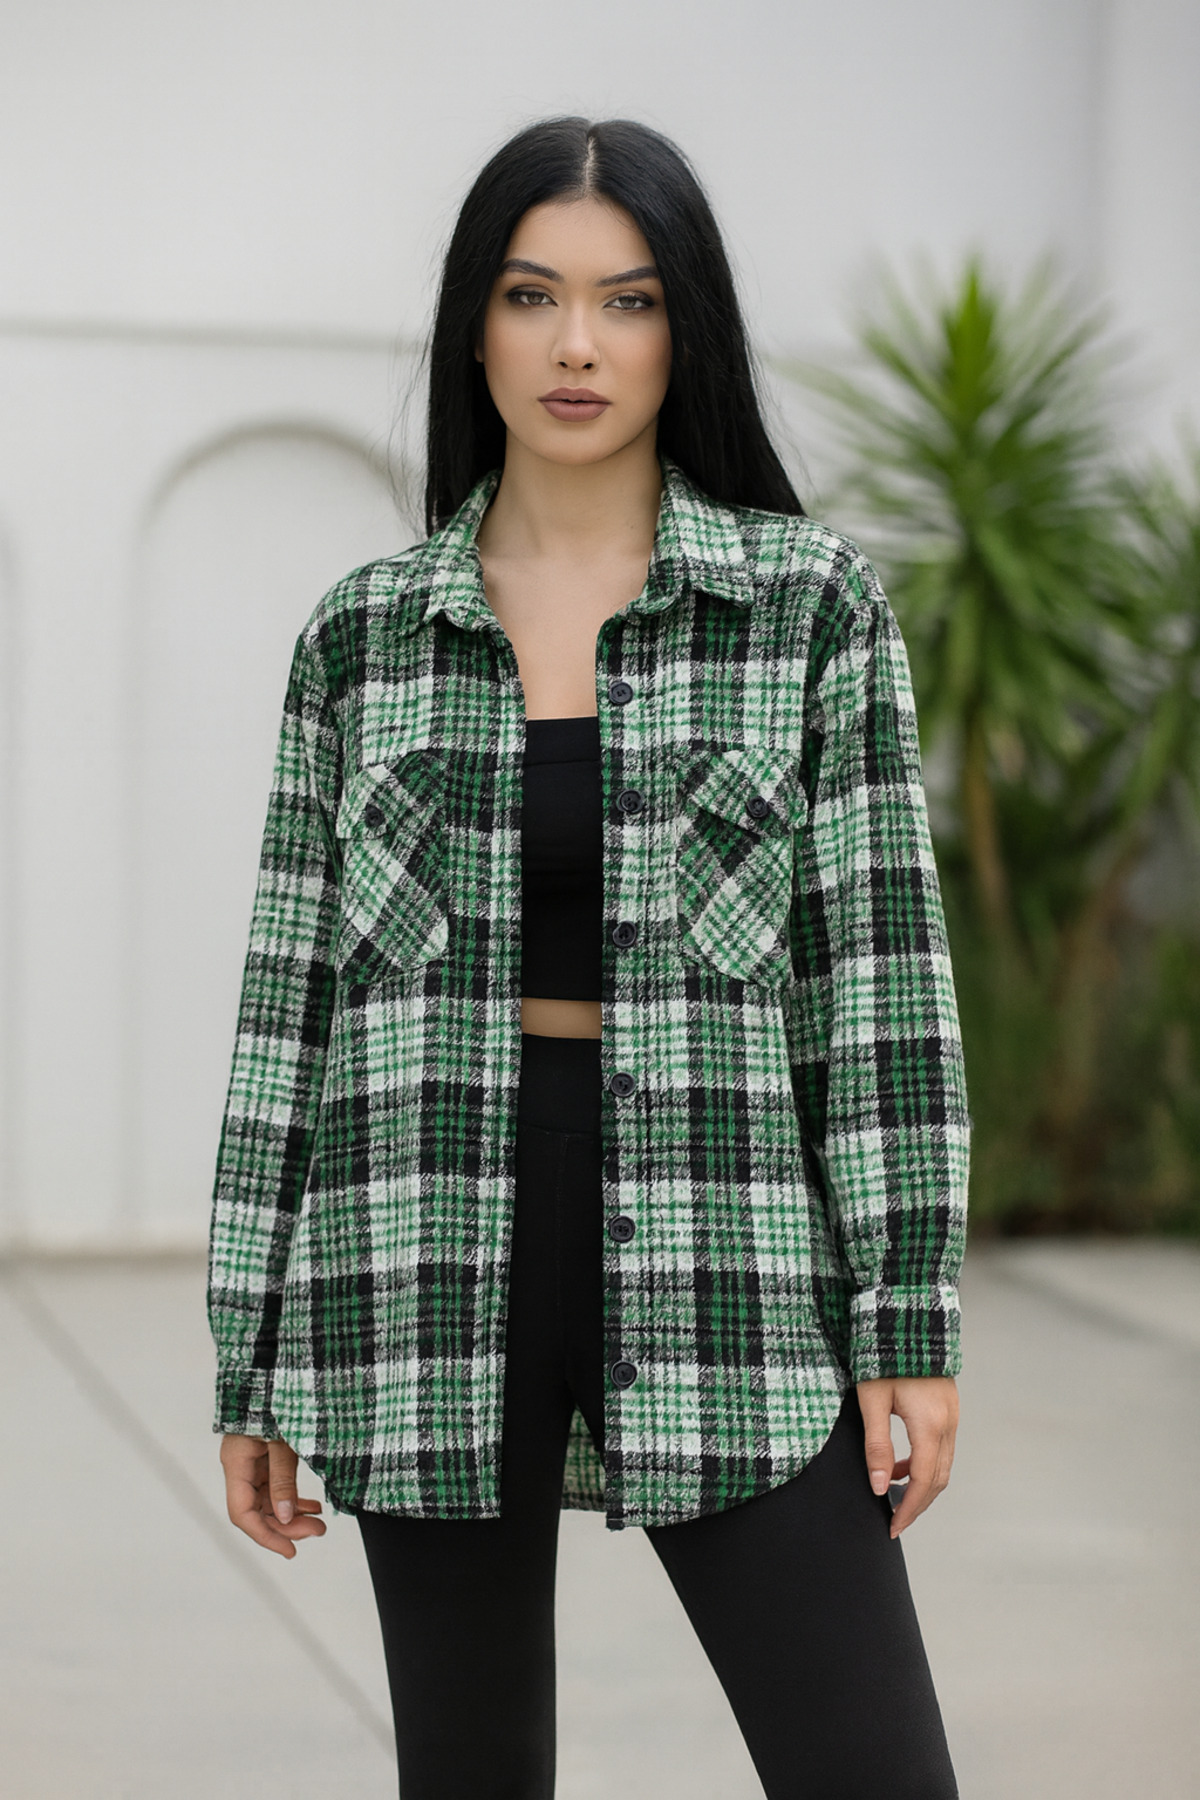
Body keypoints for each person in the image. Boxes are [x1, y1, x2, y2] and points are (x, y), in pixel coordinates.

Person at [206, 115, 970, 1799]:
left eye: (627, 302)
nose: (576, 345)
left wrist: (905, 1316)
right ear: (472, 330)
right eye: (531, 295)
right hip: (418, 1251)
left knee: (873, 1770)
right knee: (470, 1772)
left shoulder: (807, 611)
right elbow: (290, 1017)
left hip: (727, 1243)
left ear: (683, 331)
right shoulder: (362, 636)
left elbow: (880, 995)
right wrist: (247, 1354)